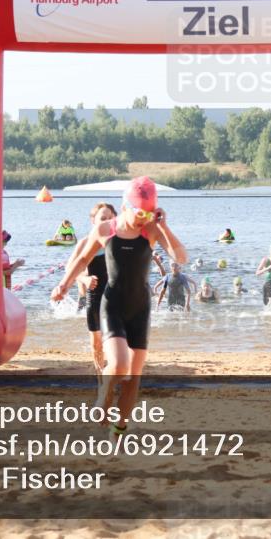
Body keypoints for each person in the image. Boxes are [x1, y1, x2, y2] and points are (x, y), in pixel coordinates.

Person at [51, 177, 187, 439]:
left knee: (134, 377)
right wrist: (64, 284)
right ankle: (104, 392)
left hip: (140, 308)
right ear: (126, 206)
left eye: (149, 212)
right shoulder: (105, 230)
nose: (143, 217)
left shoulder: (151, 230)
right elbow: (82, 258)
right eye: (140, 212)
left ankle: (118, 431)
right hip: (112, 304)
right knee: (120, 365)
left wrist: (164, 226)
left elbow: (181, 258)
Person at [64, 203, 117, 377]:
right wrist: (84, 279)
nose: (107, 222)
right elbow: (70, 269)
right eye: (103, 218)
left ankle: (116, 371)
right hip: (95, 296)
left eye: (110, 218)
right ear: (93, 221)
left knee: (116, 340)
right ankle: (101, 377)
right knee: (97, 342)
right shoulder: (86, 242)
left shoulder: (121, 241)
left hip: (118, 297)